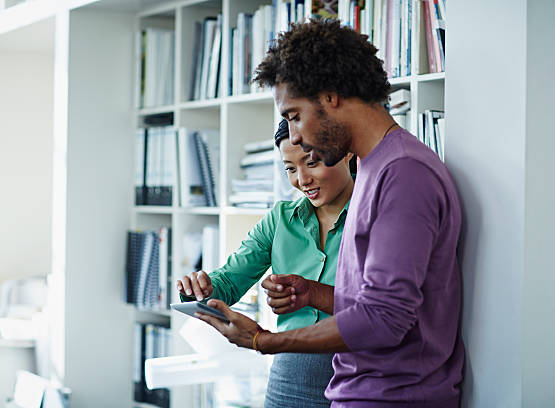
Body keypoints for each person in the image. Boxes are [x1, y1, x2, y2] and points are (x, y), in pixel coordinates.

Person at [193, 19, 465, 408]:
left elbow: (385, 319)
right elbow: (380, 301)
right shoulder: (376, 167)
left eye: (295, 115)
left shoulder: (404, 172)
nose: (295, 135)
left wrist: (262, 340)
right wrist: (313, 293)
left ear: (330, 96)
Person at [177, 118, 354, 407]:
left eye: (312, 163)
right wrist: (202, 289)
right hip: (290, 374)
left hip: (359, 371)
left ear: (346, 152)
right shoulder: (280, 219)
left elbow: (379, 307)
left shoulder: (374, 214)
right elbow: (230, 280)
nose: (301, 180)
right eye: (290, 169)